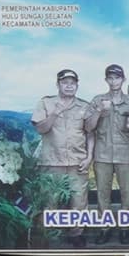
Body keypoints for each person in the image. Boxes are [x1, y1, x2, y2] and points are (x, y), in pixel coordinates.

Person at [34, 66, 96, 195]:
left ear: (77, 86)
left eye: (73, 83)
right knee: (50, 204)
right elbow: (40, 129)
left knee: (78, 204)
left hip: (78, 163)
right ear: (58, 84)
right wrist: (55, 113)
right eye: (65, 83)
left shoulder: (84, 105)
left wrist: (89, 157)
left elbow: (90, 133)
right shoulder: (45, 103)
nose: (69, 86)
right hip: (52, 163)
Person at [89, 61, 129, 208]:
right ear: (106, 80)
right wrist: (99, 110)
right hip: (102, 153)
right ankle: (105, 226)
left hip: (126, 153)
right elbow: (89, 127)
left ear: (123, 79)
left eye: (117, 78)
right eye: (110, 78)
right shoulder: (97, 100)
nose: (114, 81)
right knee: (102, 193)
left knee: (127, 192)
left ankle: (126, 226)